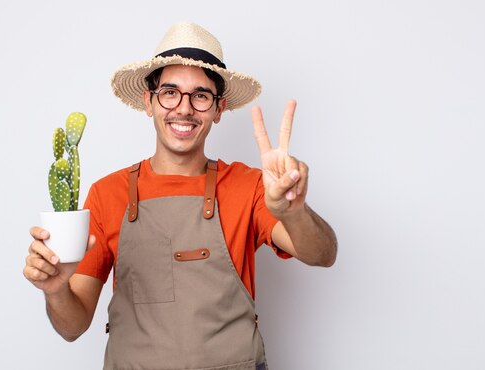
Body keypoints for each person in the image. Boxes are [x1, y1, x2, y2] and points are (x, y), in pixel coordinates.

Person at [23, 22, 337, 370]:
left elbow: (322, 254)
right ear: (149, 101)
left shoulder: (249, 186)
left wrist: (293, 211)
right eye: (170, 92)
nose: (184, 109)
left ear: (219, 109)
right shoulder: (106, 194)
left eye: (201, 95)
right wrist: (55, 290)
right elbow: (73, 326)